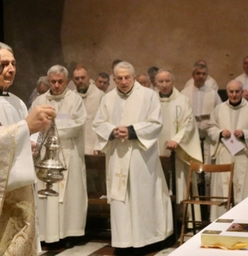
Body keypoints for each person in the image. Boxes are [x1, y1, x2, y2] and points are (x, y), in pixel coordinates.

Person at [92, 61, 173, 252]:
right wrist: (112, 131)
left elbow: (156, 123)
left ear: (134, 77)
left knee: (142, 198)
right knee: (120, 199)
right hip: (117, 155)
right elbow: (98, 123)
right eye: (119, 78)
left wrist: (130, 130)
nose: (123, 81)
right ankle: (123, 242)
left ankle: (146, 240)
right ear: (113, 79)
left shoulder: (149, 96)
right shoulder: (108, 98)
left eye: (127, 77)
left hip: (141, 159)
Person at [0, 43, 56, 256]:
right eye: (1, 65)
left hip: (19, 184)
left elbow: (21, 134)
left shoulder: (18, 102)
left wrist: (31, 141)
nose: (9, 69)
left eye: (13, 64)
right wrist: (23, 130)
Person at [30, 64, 87, 248]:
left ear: (67, 81)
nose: (56, 85)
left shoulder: (75, 100)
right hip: (45, 155)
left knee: (69, 197)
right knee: (46, 197)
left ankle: (69, 233)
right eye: (53, 81)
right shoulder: (40, 101)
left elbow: (77, 124)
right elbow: (32, 125)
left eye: (60, 82)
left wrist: (51, 127)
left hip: (69, 154)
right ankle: (47, 234)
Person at [155, 69, 202, 221]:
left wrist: (176, 139)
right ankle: (161, 222)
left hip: (179, 151)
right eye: (160, 81)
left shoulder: (183, 100)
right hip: (156, 152)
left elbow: (189, 123)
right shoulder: (151, 101)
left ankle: (184, 220)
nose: (164, 85)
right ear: (155, 83)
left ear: (173, 82)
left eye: (167, 81)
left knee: (180, 184)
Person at [207, 80, 248, 221]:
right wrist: (219, 132)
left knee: (242, 188)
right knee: (223, 189)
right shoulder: (219, 109)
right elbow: (210, 127)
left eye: (237, 91)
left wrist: (245, 134)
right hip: (224, 153)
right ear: (227, 92)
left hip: (243, 155)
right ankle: (221, 223)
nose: (234, 94)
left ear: (242, 92)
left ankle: (243, 222)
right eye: (231, 91)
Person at [181, 63, 222, 164]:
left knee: (207, 160)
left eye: (204, 74)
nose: (201, 76)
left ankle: (207, 178)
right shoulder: (184, 93)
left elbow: (220, 112)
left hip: (207, 133)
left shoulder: (213, 94)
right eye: (198, 73)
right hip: (191, 132)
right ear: (193, 75)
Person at [72, 66, 105, 154]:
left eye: (83, 77)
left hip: (95, 146)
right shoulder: (70, 97)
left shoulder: (100, 96)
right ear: (73, 81)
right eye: (77, 78)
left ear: (89, 78)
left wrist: (98, 146)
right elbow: (65, 118)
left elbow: (104, 122)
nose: (80, 81)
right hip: (75, 146)